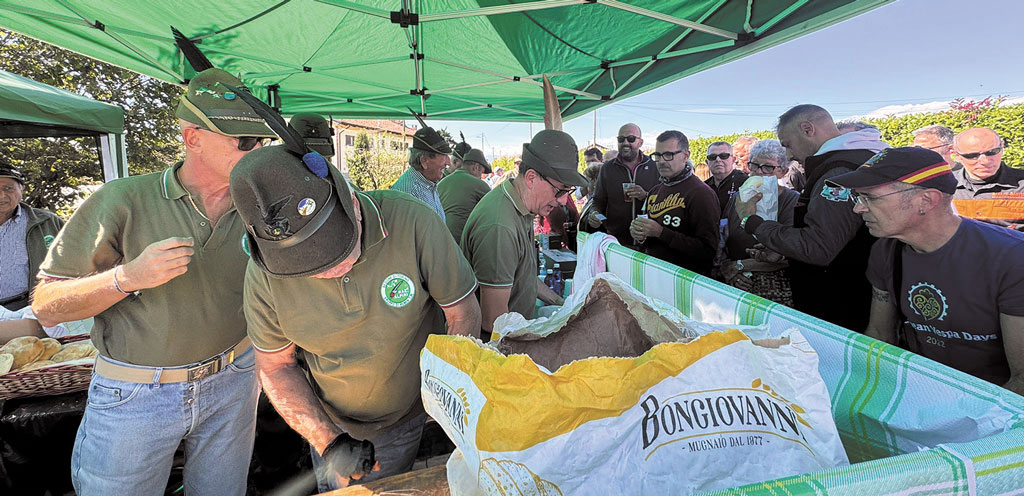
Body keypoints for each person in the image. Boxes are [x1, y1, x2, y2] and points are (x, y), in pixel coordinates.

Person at [31, 68, 275, 495]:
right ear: (193, 137)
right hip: (138, 394)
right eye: (245, 141)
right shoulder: (123, 200)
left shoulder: (259, 204)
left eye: (263, 141)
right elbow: (47, 305)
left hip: (234, 381)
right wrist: (126, 277)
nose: (258, 151)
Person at [232, 143, 481, 491]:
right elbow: (275, 367)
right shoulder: (264, 274)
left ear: (351, 203)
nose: (332, 270)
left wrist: (448, 396)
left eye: (338, 249)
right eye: (311, 267)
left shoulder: (412, 221)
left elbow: (462, 310)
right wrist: (328, 441)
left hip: (408, 414)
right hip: (328, 419)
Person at [829, 147, 1024, 395]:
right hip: (920, 392)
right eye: (858, 197)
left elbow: (1021, 382)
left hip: (991, 407)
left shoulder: (1011, 257)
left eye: (869, 197)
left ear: (926, 200)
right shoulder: (886, 250)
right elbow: (880, 335)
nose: (858, 208)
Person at [734, 104, 887, 331]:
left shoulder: (839, 171)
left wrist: (751, 220)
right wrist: (784, 252)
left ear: (807, 129)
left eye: (787, 144)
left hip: (840, 306)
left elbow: (819, 248)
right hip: (845, 296)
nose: (788, 154)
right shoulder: (850, 162)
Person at [462, 130, 588, 336]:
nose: (564, 201)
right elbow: (493, 321)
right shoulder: (499, 226)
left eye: (569, 191)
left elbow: (523, 276)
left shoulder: (522, 205)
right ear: (531, 178)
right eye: (560, 190)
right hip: (494, 347)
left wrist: (563, 304)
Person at [719, 139, 799, 305]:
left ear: (783, 172)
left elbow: (791, 253)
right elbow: (724, 237)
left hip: (775, 290)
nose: (759, 172)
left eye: (768, 167)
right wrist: (729, 269)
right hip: (736, 284)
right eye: (754, 165)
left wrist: (739, 266)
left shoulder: (792, 201)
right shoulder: (737, 198)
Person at [629, 130, 719, 275]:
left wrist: (661, 232)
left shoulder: (701, 193)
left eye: (669, 155)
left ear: (685, 156)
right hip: (655, 273)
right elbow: (649, 238)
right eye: (657, 155)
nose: (662, 161)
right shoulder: (654, 191)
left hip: (685, 281)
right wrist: (640, 235)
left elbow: (708, 250)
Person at [0, 164, 63, 311]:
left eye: (8, 188)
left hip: (29, 308)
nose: (1, 196)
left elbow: (74, 262)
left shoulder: (48, 222)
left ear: (21, 189)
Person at [585, 123, 658, 249]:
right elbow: (598, 200)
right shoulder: (608, 168)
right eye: (621, 139)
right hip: (617, 242)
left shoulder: (654, 167)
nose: (625, 143)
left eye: (631, 139)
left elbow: (664, 200)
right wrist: (594, 213)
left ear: (640, 142)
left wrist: (645, 196)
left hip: (650, 243)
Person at [950, 127, 1024, 231]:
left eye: (992, 152)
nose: (985, 161)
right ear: (957, 155)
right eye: (973, 155)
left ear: (1002, 146)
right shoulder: (944, 186)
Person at [391, 126, 450, 220]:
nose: (448, 163)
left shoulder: (428, 185)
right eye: (443, 156)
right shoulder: (408, 194)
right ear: (424, 161)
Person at [438, 148, 492, 243]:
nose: (480, 176)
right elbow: (495, 210)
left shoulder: (442, 183)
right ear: (475, 167)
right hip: (460, 243)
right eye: (481, 172)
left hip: (439, 240)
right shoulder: (478, 184)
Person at [704, 141, 748, 213]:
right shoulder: (704, 187)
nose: (718, 160)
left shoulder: (745, 183)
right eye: (712, 157)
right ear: (707, 162)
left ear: (733, 160)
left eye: (724, 156)